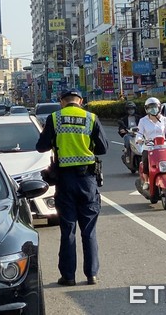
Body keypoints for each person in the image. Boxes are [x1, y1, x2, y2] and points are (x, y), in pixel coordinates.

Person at [36, 88, 109, 287]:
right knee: (89, 230)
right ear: (81, 101)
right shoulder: (91, 118)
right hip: (87, 180)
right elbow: (103, 148)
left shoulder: (55, 118)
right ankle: (92, 274)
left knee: (67, 229)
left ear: (62, 102)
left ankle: (68, 276)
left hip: (65, 180)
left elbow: (41, 146)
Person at [136, 97, 166, 190]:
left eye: (155, 107)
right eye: (150, 107)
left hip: (162, 146)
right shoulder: (143, 121)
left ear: (159, 107)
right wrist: (139, 139)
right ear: (146, 109)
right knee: (146, 162)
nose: (153, 109)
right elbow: (139, 133)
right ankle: (147, 181)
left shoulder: (164, 120)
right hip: (148, 147)